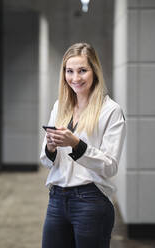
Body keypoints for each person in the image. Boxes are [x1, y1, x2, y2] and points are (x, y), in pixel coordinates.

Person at [40, 42, 126, 248]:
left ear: (94, 71)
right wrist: (50, 147)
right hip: (57, 198)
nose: (75, 78)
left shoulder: (111, 111)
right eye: (69, 71)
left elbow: (110, 166)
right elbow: (46, 161)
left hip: (91, 200)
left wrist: (77, 145)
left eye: (82, 71)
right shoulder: (59, 106)